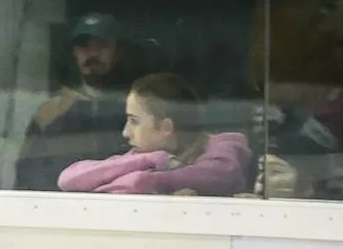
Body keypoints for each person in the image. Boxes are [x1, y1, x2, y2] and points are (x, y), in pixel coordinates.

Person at [57, 72, 251, 196]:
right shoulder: (146, 156)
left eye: (134, 121)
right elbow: (69, 179)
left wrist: (146, 179)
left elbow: (138, 182)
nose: (125, 132)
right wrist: (149, 160)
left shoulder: (225, 151)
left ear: (166, 128)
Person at [14, 13, 145, 191]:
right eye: (83, 46)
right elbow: (28, 178)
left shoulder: (140, 108)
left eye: (102, 45)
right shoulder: (50, 112)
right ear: (74, 53)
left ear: (119, 51)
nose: (92, 53)